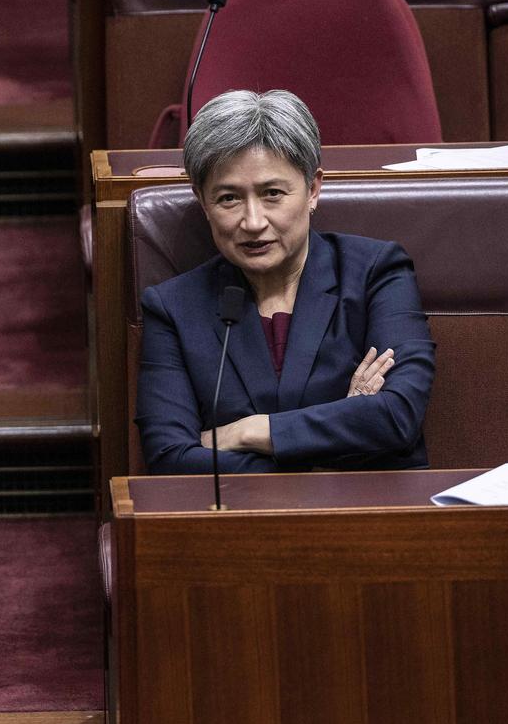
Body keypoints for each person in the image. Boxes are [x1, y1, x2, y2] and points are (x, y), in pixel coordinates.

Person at [136, 89, 435, 474]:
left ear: (313, 189)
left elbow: (397, 416)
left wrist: (250, 431)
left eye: (272, 193)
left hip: (370, 516)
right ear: (202, 202)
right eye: (228, 198)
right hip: (236, 523)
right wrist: (343, 426)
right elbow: (171, 459)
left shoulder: (375, 273)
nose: (253, 221)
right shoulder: (173, 307)